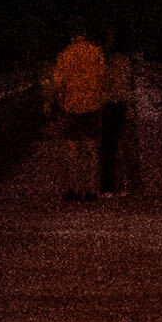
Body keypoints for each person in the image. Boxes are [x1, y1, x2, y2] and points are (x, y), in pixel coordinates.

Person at [49, 32, 118, 199]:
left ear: (72, 37)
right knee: (91, 150)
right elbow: (104, 79)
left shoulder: (65, 55)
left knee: (72, 151)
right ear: (86, 35)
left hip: (71, 107)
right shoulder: (95, 52)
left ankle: (75, 189)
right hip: (92, 106)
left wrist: (60, 102)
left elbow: (58, 83)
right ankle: (91, 190)